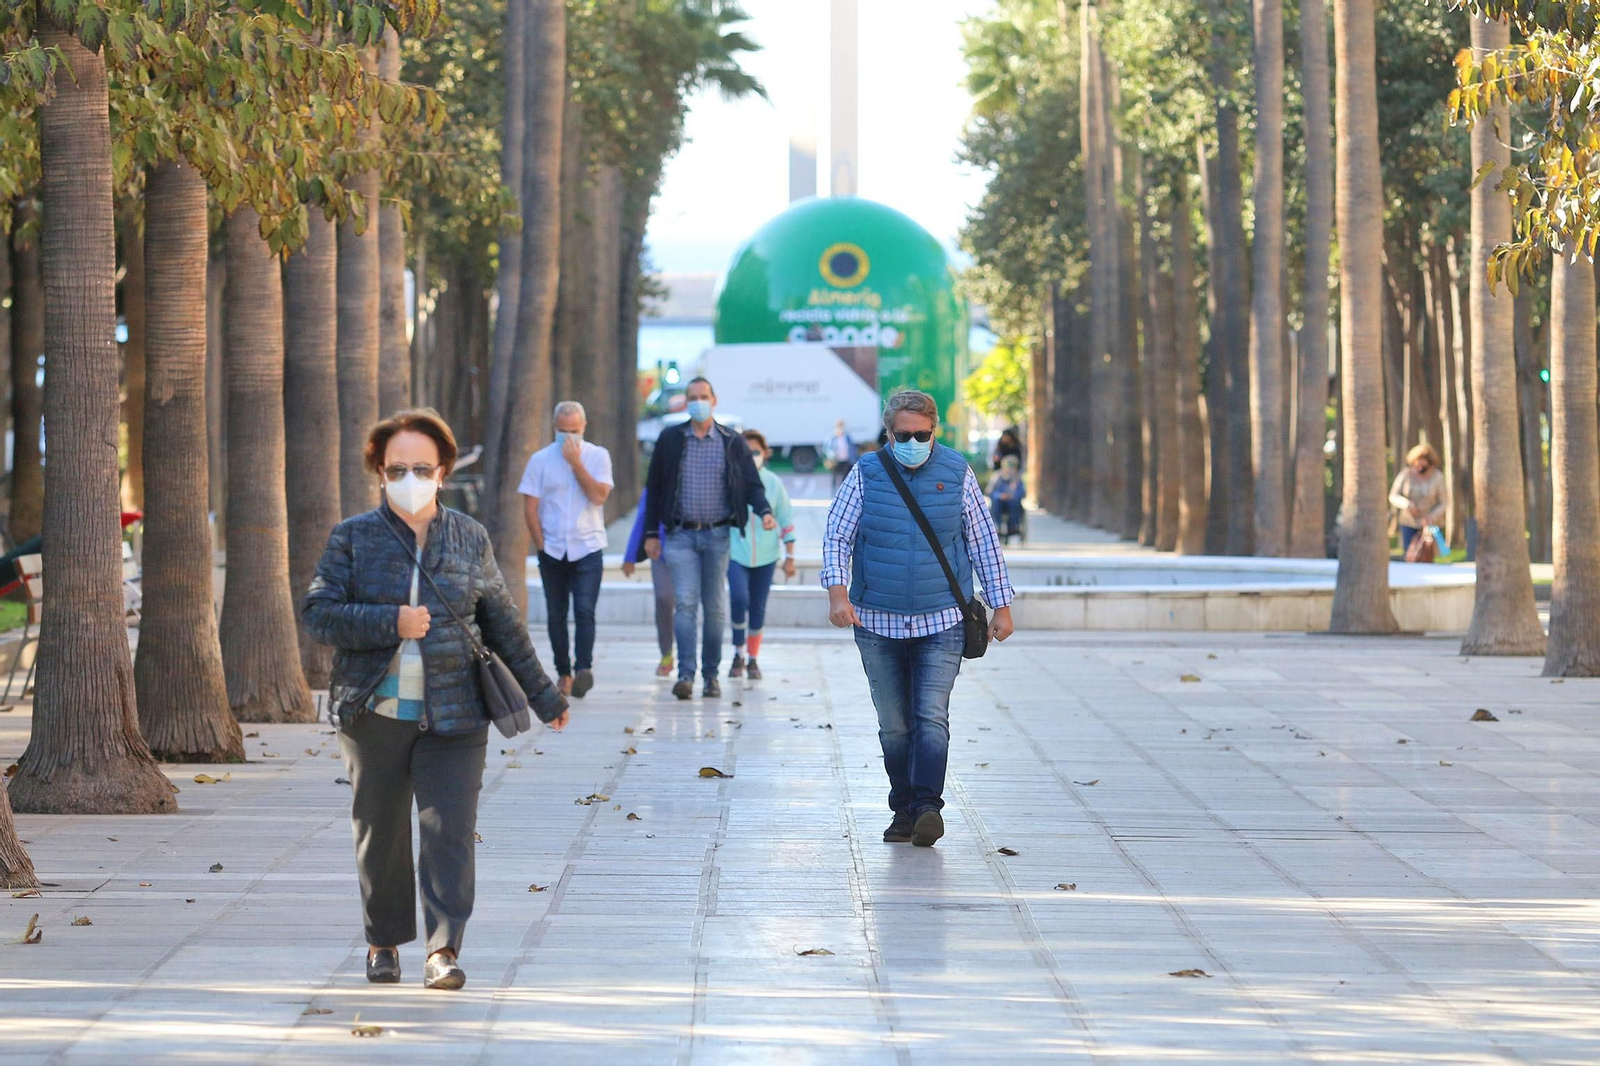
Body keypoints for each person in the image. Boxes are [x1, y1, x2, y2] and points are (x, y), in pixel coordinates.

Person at [303, 409, 568, 991]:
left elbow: (502, 623)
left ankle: (442, 950)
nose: (410, 478)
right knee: (380, 833)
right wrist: (390, 622)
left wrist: (545, 697)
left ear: (443, 471)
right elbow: (318, 614)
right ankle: (383, 944)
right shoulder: (353, 537)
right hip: (372, 713)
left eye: (422, 468)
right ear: (380, 472)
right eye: (397, 468)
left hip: (456, 713)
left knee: (450, 832)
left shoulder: (469, 537)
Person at [822, 389, 1016, 849]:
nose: (913, 443)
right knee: (894, 724)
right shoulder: (866, 472)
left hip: (942, 618)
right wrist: (837, 593)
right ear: (889, 433)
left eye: (922, 435)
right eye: (903, 435)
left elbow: (982, 540)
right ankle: (903, 809)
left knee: (930, 715)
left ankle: (928, 806)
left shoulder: (956, 471)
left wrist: (1002, 604)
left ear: (934, 431)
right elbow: (836, 536)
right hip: (876, 621)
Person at [642, 376, 776, 700]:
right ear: (686, 402)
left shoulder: (732, 441)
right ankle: (686, 675)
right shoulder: (671, 439)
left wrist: (764, 511)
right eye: (692, 397)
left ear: (714, 400)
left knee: (714, 608)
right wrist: (651, 533)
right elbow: (655, 487)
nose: (698, 402)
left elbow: (752, 483)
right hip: (680, 535)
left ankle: (711, 676)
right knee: (686, 604)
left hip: (717, 535)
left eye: (703, 396)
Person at [519, 401, 613, 698]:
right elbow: (530, 506)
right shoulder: (540, 460)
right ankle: (564, 673)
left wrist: (576, 464)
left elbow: (599, 496)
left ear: (583, 427)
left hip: (588, 546)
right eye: (563, 431)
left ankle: (583, 668)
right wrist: (540, 544)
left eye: (574, 431)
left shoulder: (598, 456)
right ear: (554, 428)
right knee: (556, 614)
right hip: (553, 549)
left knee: (584, 609)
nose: (568, 437)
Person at [728, 430, 797, 681]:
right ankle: (738, 651)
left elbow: (786, 519)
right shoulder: (730, 480)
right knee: (738, 598)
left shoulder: (774, 483)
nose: (751, 456)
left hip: (767, 555)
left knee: (758, 605)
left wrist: (790, 556)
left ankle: (753, 658)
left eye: (755, 452)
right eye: (746, 452)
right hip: (736, 552)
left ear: (765, 453)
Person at [622, 487, 676, 678]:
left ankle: (689, 659)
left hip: (693, 551)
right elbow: (642, 518)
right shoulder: (657, 482)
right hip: (660, 552)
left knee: (688, 605)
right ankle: (666, 653)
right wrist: (630, 556)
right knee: (663, 600)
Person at [1388, 442, 1447, 558]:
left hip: (1429, 523)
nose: (1419, 463)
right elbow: (1393, 495)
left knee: (1427, 555)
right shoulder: (1406, 474)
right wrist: (1406, 504)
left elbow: (1443, 502)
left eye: (1422, 460)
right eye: (1417, 460)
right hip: (1409, 522)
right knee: (1410, 553)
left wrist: (1432, 516)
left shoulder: (1437, 477)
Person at [989, 455, 1025, 544]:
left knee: (1015, 503)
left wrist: (1013, 496)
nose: (1009, 470)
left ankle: (1012, 527)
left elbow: (1021, 492)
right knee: (995, 502)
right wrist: (1000, 496)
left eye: (1012, 468)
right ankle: (998, 525)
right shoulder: (997, 477)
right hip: (999, 502)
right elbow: (990, 491)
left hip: (1012, 503)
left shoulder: (1017, 479)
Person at [828, 419, 854, 488]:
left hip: (846, 459)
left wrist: (852, 458)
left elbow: (852, 448)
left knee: (845, 476)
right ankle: (834, 490)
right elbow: (828, 448)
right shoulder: (832, 437)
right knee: (835, 476)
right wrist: (832, 454)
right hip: (836, 460)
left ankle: (843, 489)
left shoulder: (847, 437)